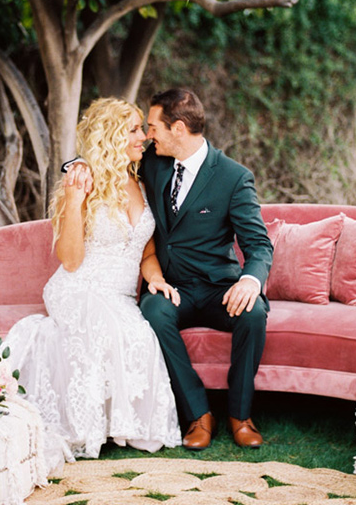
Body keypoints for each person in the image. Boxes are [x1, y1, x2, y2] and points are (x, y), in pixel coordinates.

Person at [67, 88, 274, 450]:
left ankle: (241, 415)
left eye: (152, 127)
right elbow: (105, 153)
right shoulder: (153, 161)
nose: (147, 135)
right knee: (152, 310)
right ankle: (198, 413)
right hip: (170, 287)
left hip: (216, 286)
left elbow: (258, 244)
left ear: (177, 128)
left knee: (253, 313)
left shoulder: (233, 177)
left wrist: (250, 280)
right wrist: (76, 165)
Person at [3, 97, 181, 463]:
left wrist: (157, 279)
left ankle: (124, 427)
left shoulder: (143, 183)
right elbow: (70, 260)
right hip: (77, 286)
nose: (142, 138)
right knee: (106, 328)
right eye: (132, 130)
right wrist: (73, 198)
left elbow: (146, 254)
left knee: (139, 335)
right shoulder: (84, 181)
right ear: (112, 135)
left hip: (120, 295)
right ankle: (86, 429)